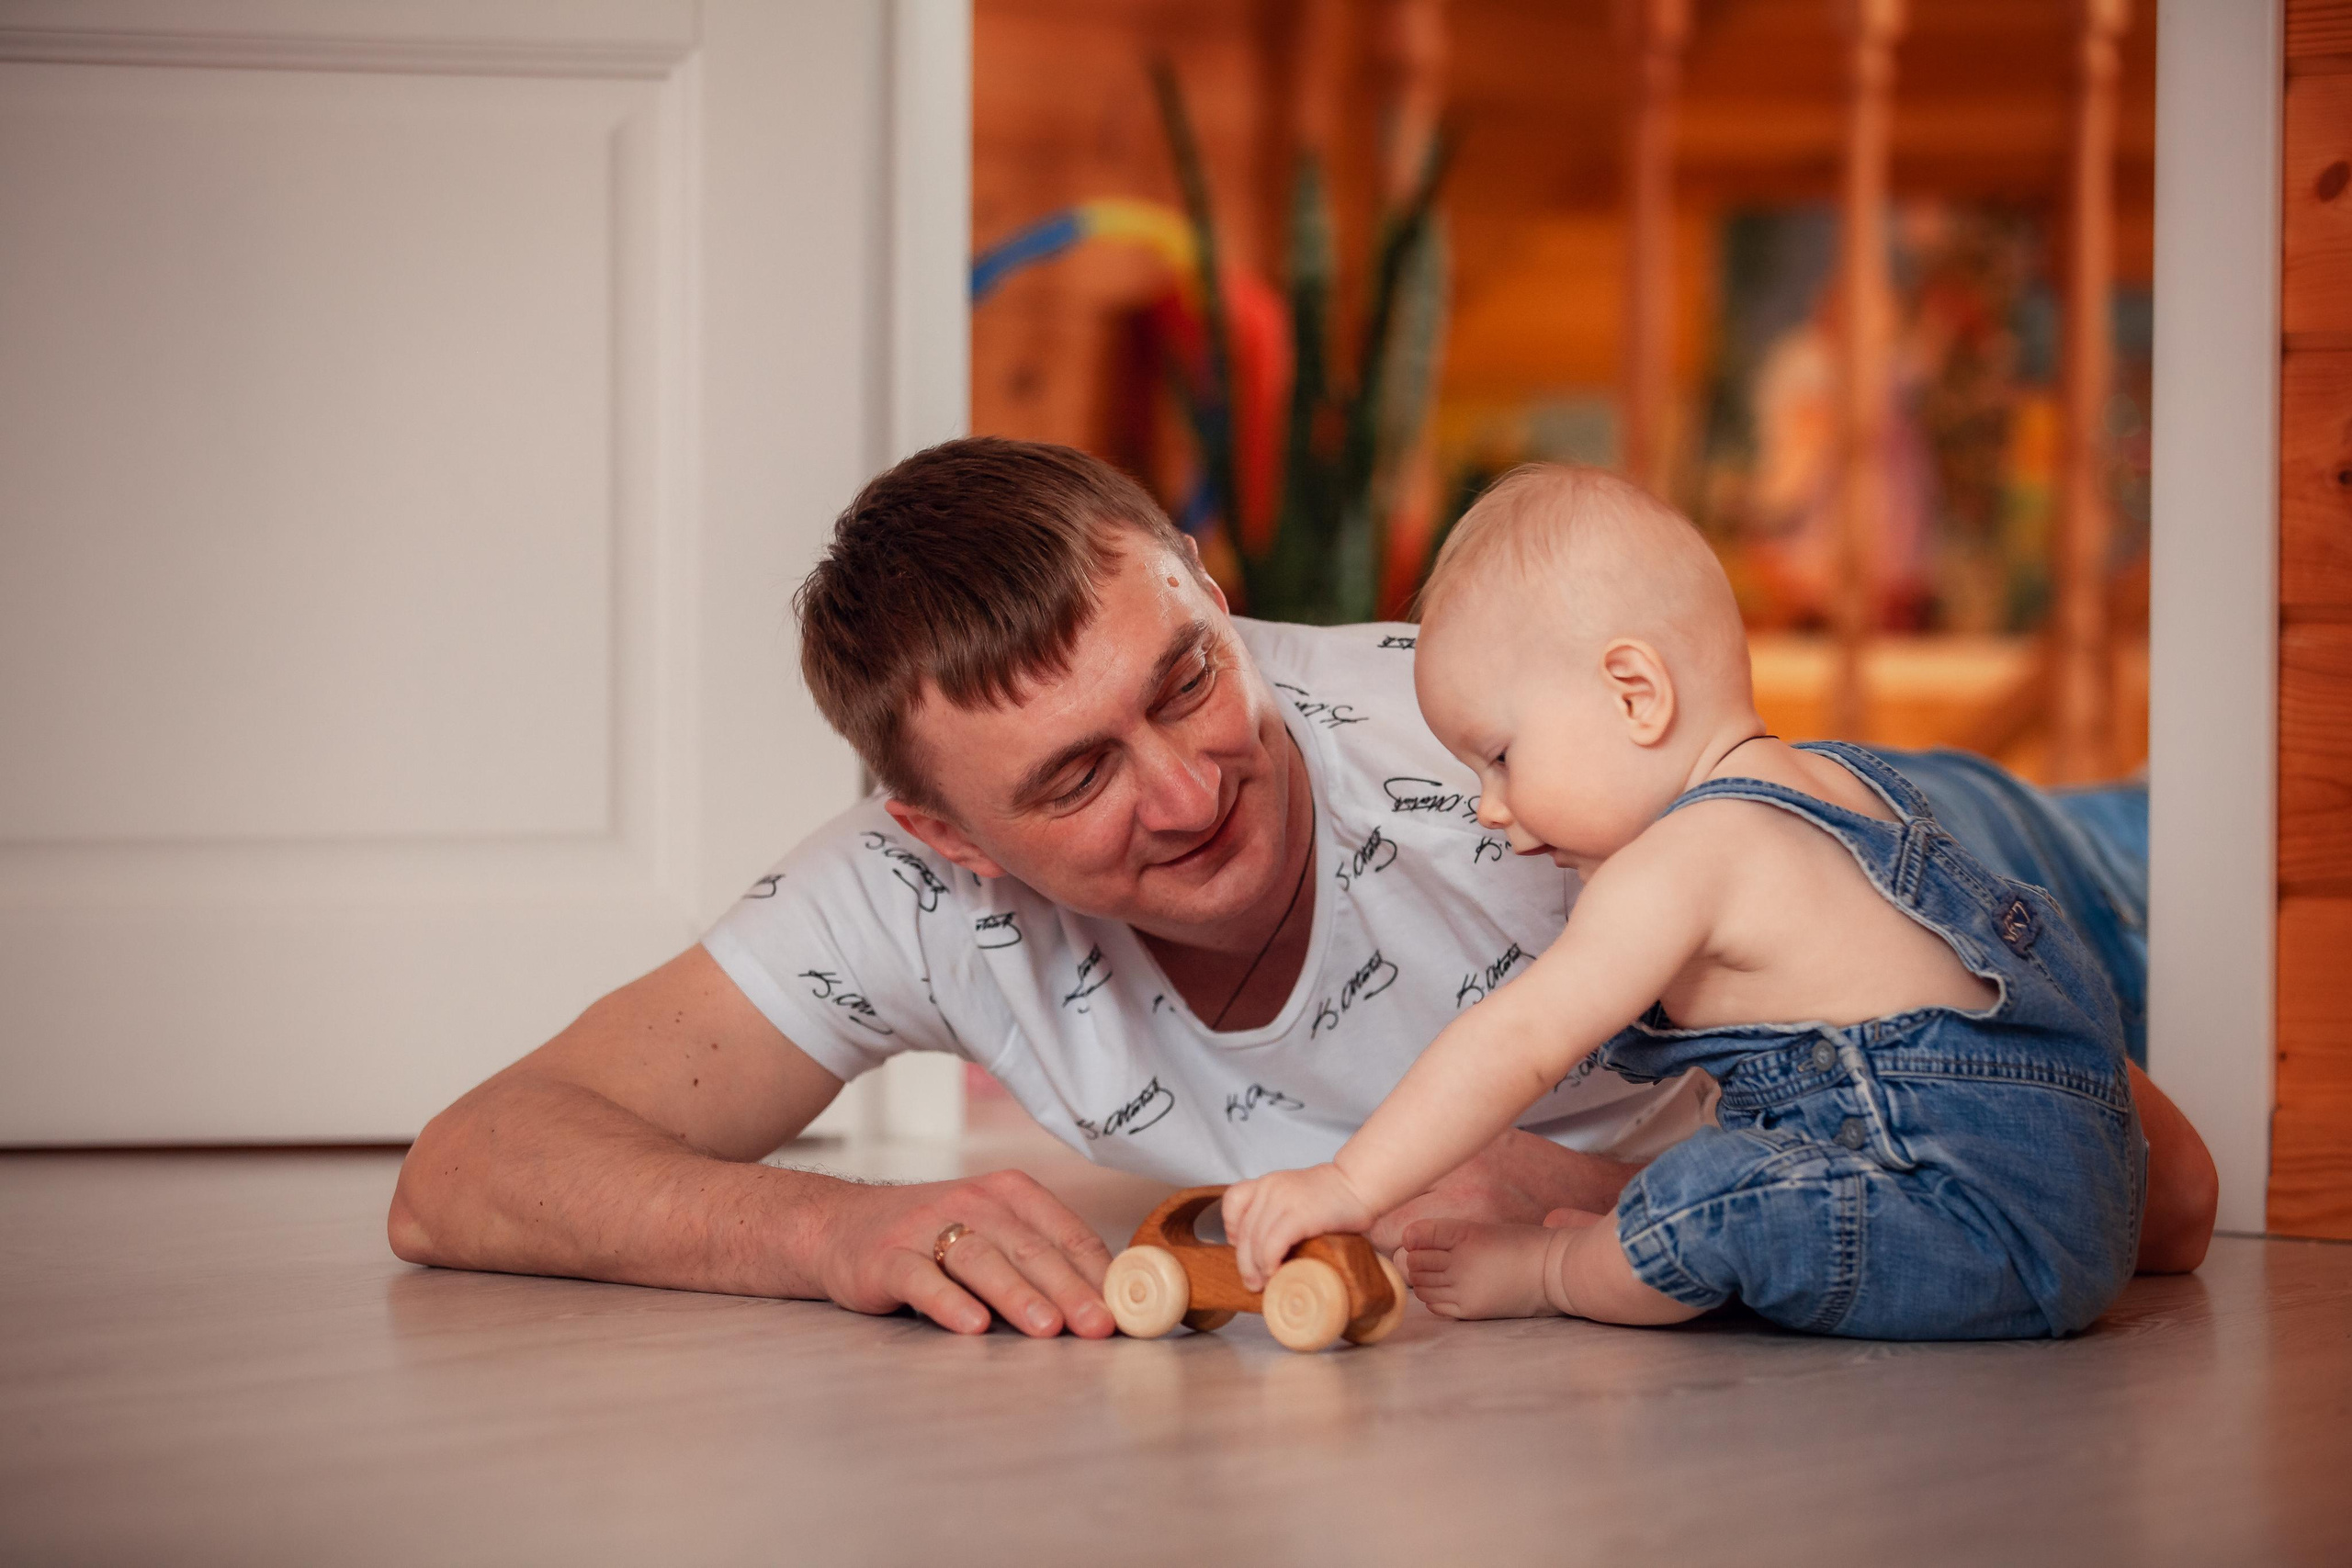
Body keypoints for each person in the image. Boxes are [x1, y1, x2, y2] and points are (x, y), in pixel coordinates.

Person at [388, 438, 2217, 1340]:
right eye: (1075, 777)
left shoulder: (1500, 774)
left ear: (1208, 580)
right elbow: (470, 1164)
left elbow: (2156, 1190)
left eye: (1187, 674)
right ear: (940, 837)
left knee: (2213, 832)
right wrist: (834, 1235)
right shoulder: (897, 894)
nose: (1194, 789)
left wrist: (1606, 1190)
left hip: (2007, 871)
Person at [1224, 465, 2143, 1337]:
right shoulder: (1834, 781)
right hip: (2089, 1186)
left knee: (1702, 1198)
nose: (1487, 807)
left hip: (1968, 1220)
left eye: (1499, 757)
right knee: (1741, 1142)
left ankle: (1549, 1274)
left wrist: (1347, 1183)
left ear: (1635, 695)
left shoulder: (1683, 861)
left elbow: (1519, 1039)